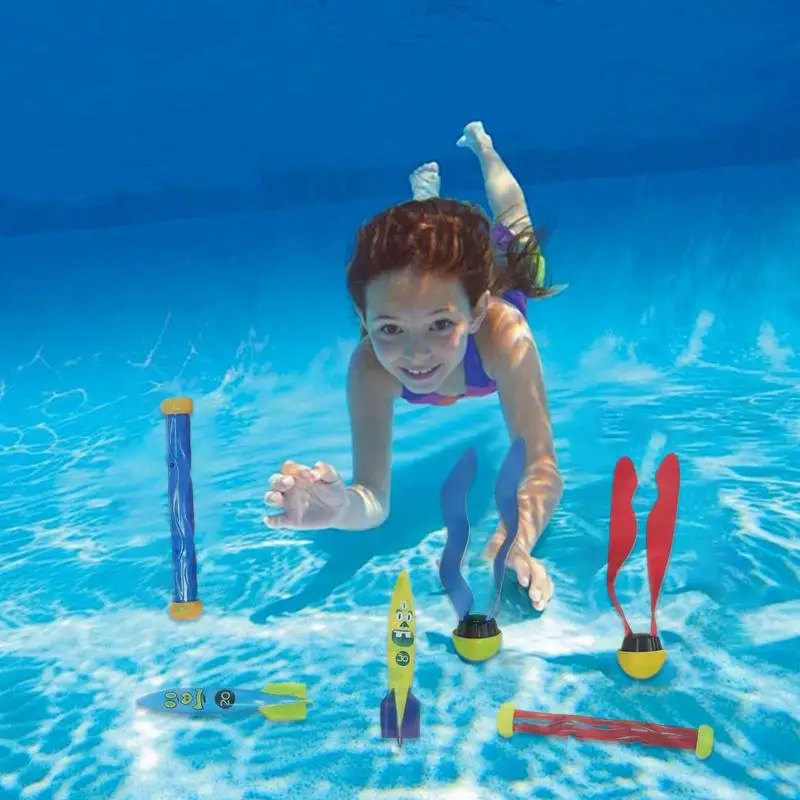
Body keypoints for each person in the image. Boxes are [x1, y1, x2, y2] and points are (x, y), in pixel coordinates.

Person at [264, 121, 564, 611]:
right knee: (422, 258)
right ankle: (426, 203)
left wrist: (514, 539)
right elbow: (372, 499)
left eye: (441, 325)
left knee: (517, 232)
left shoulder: (504, 337)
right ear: (363, 319)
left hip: (495, 283)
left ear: (476, 311)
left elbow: (542, 467)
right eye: (389, 329)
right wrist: (341, 509)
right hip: (445, 296)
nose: (416, 354)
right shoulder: (370, 368)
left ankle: (484, 148)